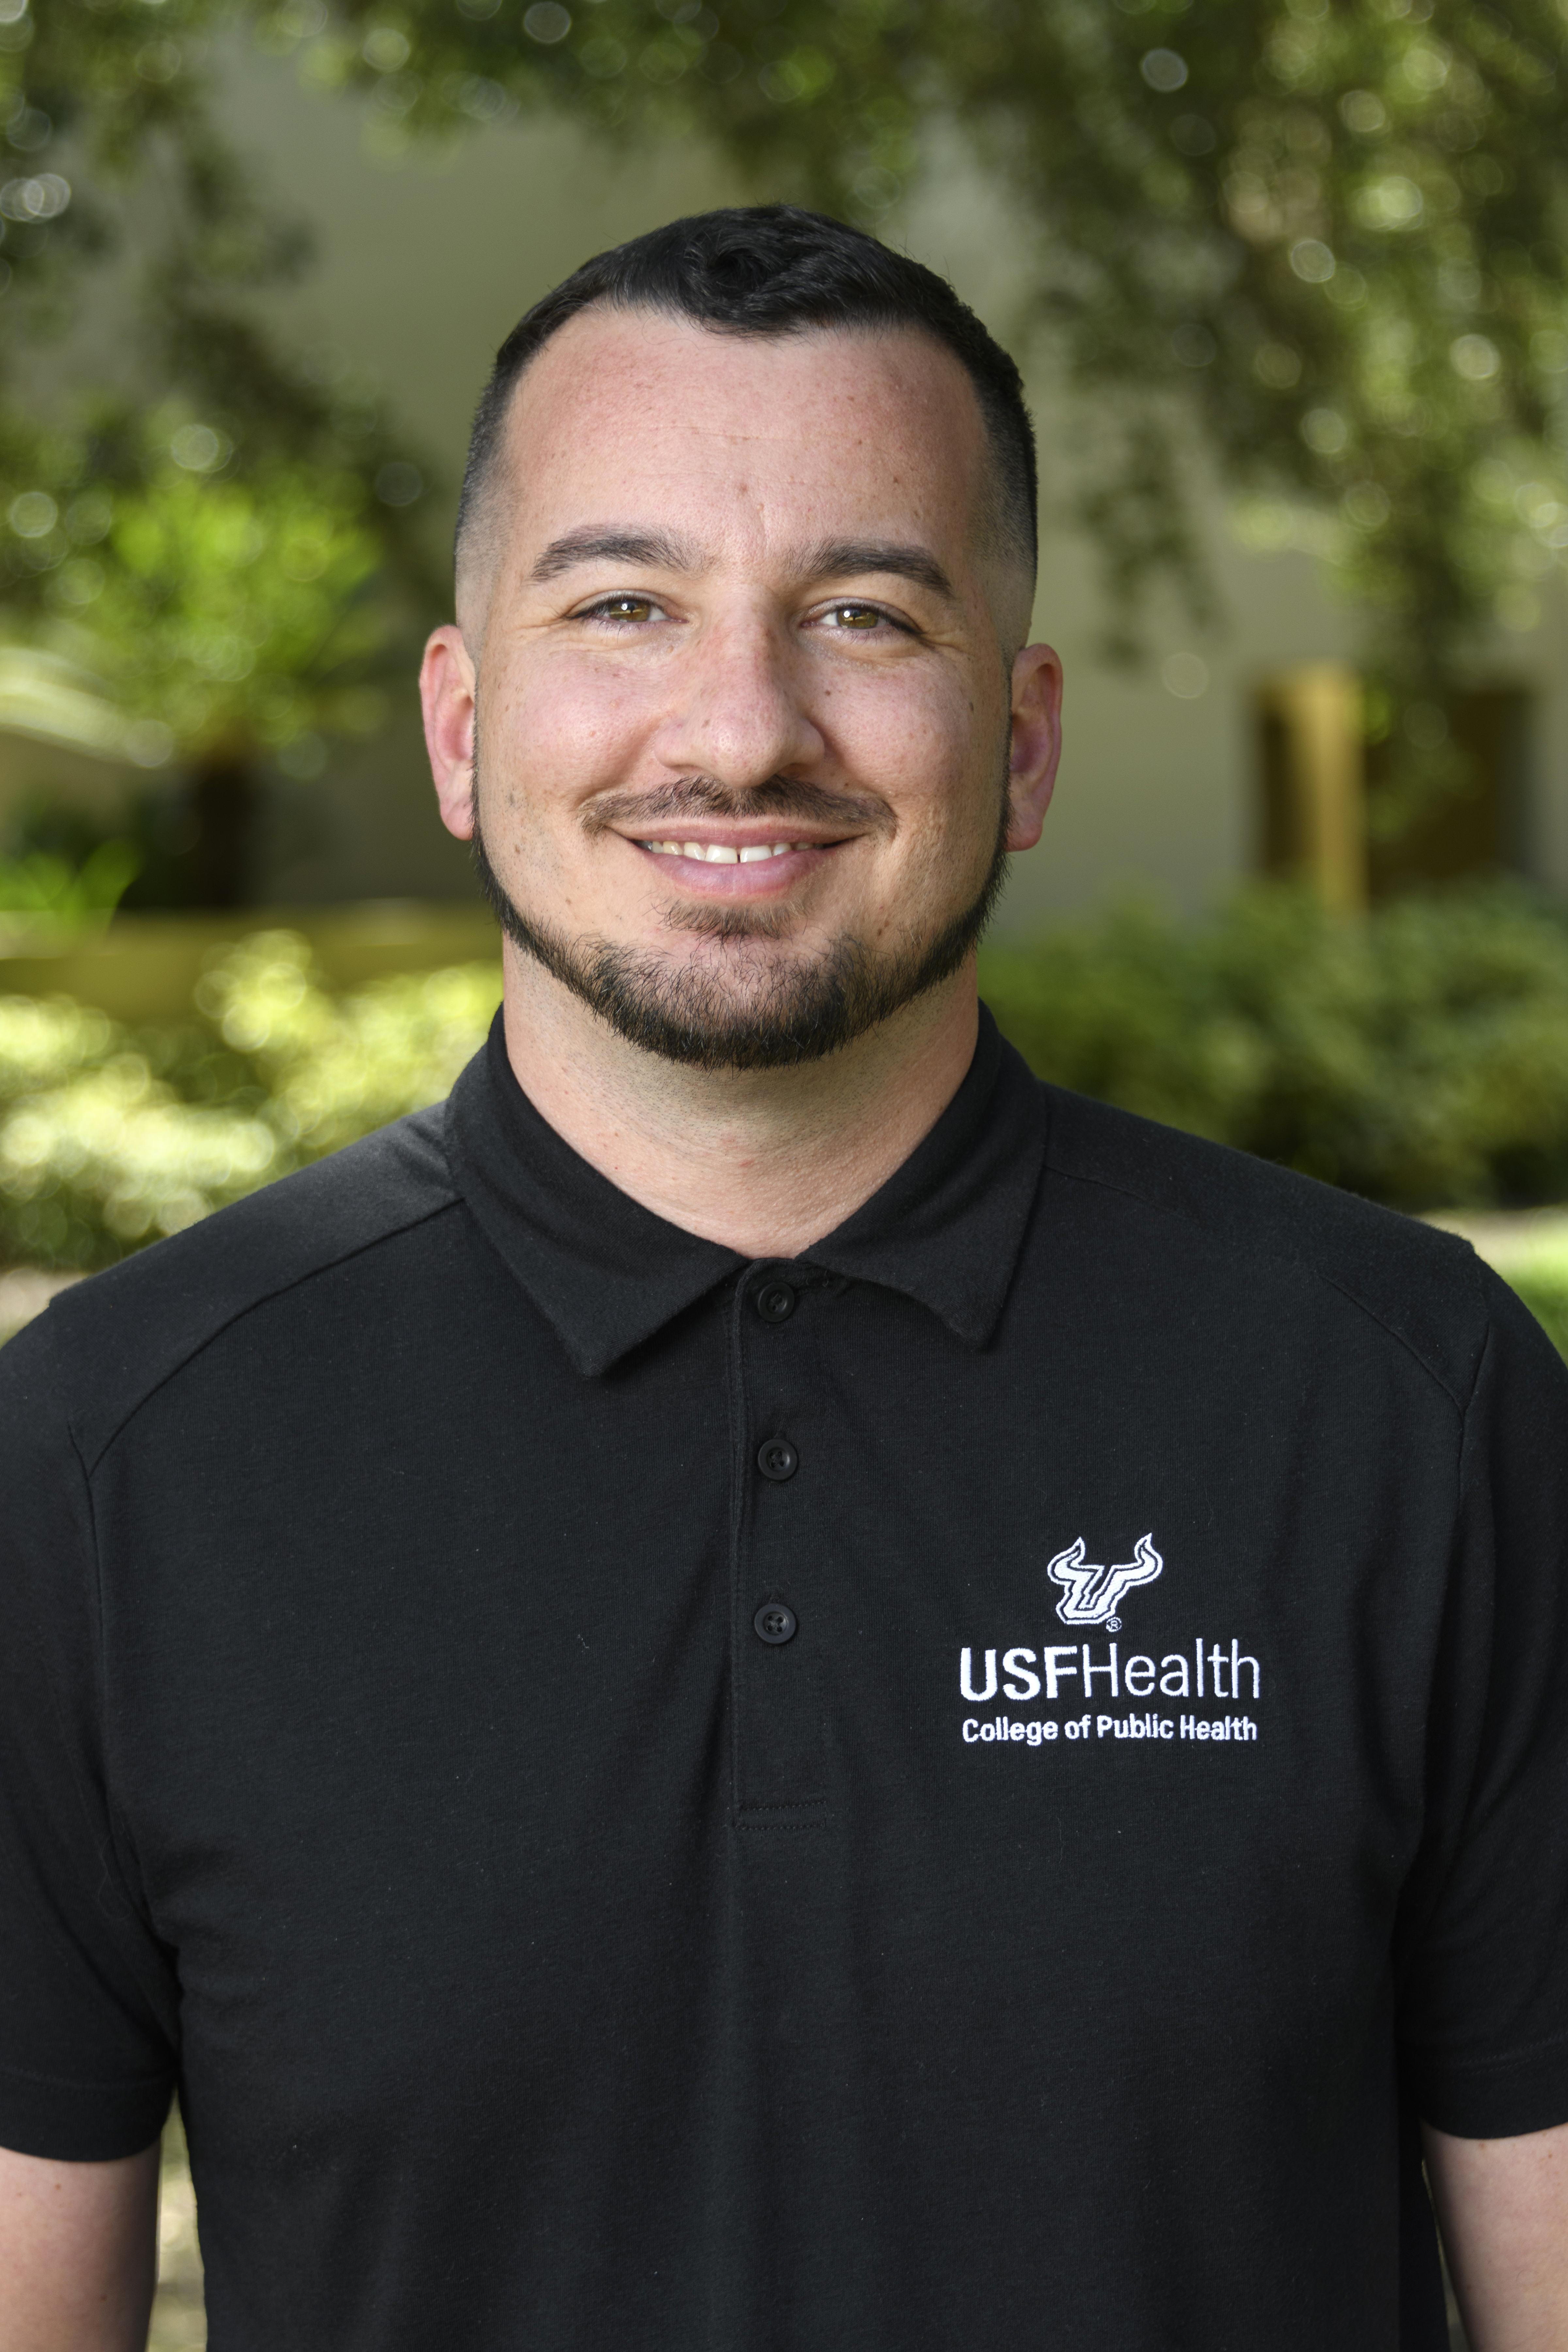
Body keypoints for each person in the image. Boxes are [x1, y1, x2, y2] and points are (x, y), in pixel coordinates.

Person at [0, 205, 1565, 2352]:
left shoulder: (1417, 1403)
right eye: (625, 604)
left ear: (1021, 744)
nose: (740, 729)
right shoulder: (112, 1455)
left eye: (864, 611)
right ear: (462, 726)